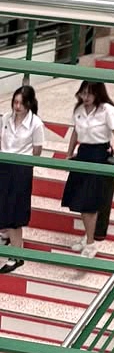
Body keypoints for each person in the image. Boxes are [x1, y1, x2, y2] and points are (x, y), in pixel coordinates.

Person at [62, 82, 114, 258]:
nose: (85, 97)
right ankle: (87, 237)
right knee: (81, 200)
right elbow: (75, 133)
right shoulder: (79, 109)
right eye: (83, 93)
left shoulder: (107, 110)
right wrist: (69, 153)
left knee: (90, 203)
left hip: (99, 154)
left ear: (97, 93)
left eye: (89, 94)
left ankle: (91, 243)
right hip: (83, 153)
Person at [0, 86, 45, 272]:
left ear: (29, 104)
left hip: (21, 169)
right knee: (3, 206)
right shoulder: (5, 118)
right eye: (15, 102)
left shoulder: (36, 124)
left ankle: (17, 255)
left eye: (21, 103)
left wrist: (25, 166)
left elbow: (37, 150)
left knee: (15, 212)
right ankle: (6, 236)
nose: (17, 106)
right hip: (4, 165)